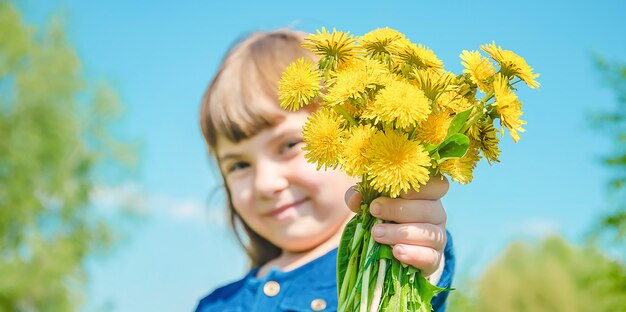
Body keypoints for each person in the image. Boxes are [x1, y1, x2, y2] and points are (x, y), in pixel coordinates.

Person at [195, 29, 455, 312]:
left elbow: (420, 280)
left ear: (359, 138)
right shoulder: (215, 305)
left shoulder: (383, 263)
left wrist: (420, 259)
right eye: (239, 165)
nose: (265, 184)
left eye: (289, 144)